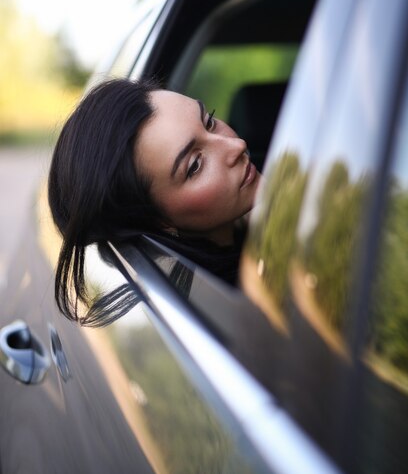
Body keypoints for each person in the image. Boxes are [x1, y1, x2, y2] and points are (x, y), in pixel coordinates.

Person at [48, 78, 262, 324]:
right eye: (195, 165)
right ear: (159, 221)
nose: (237, 145)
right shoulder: (229, 310)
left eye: (210, 122)